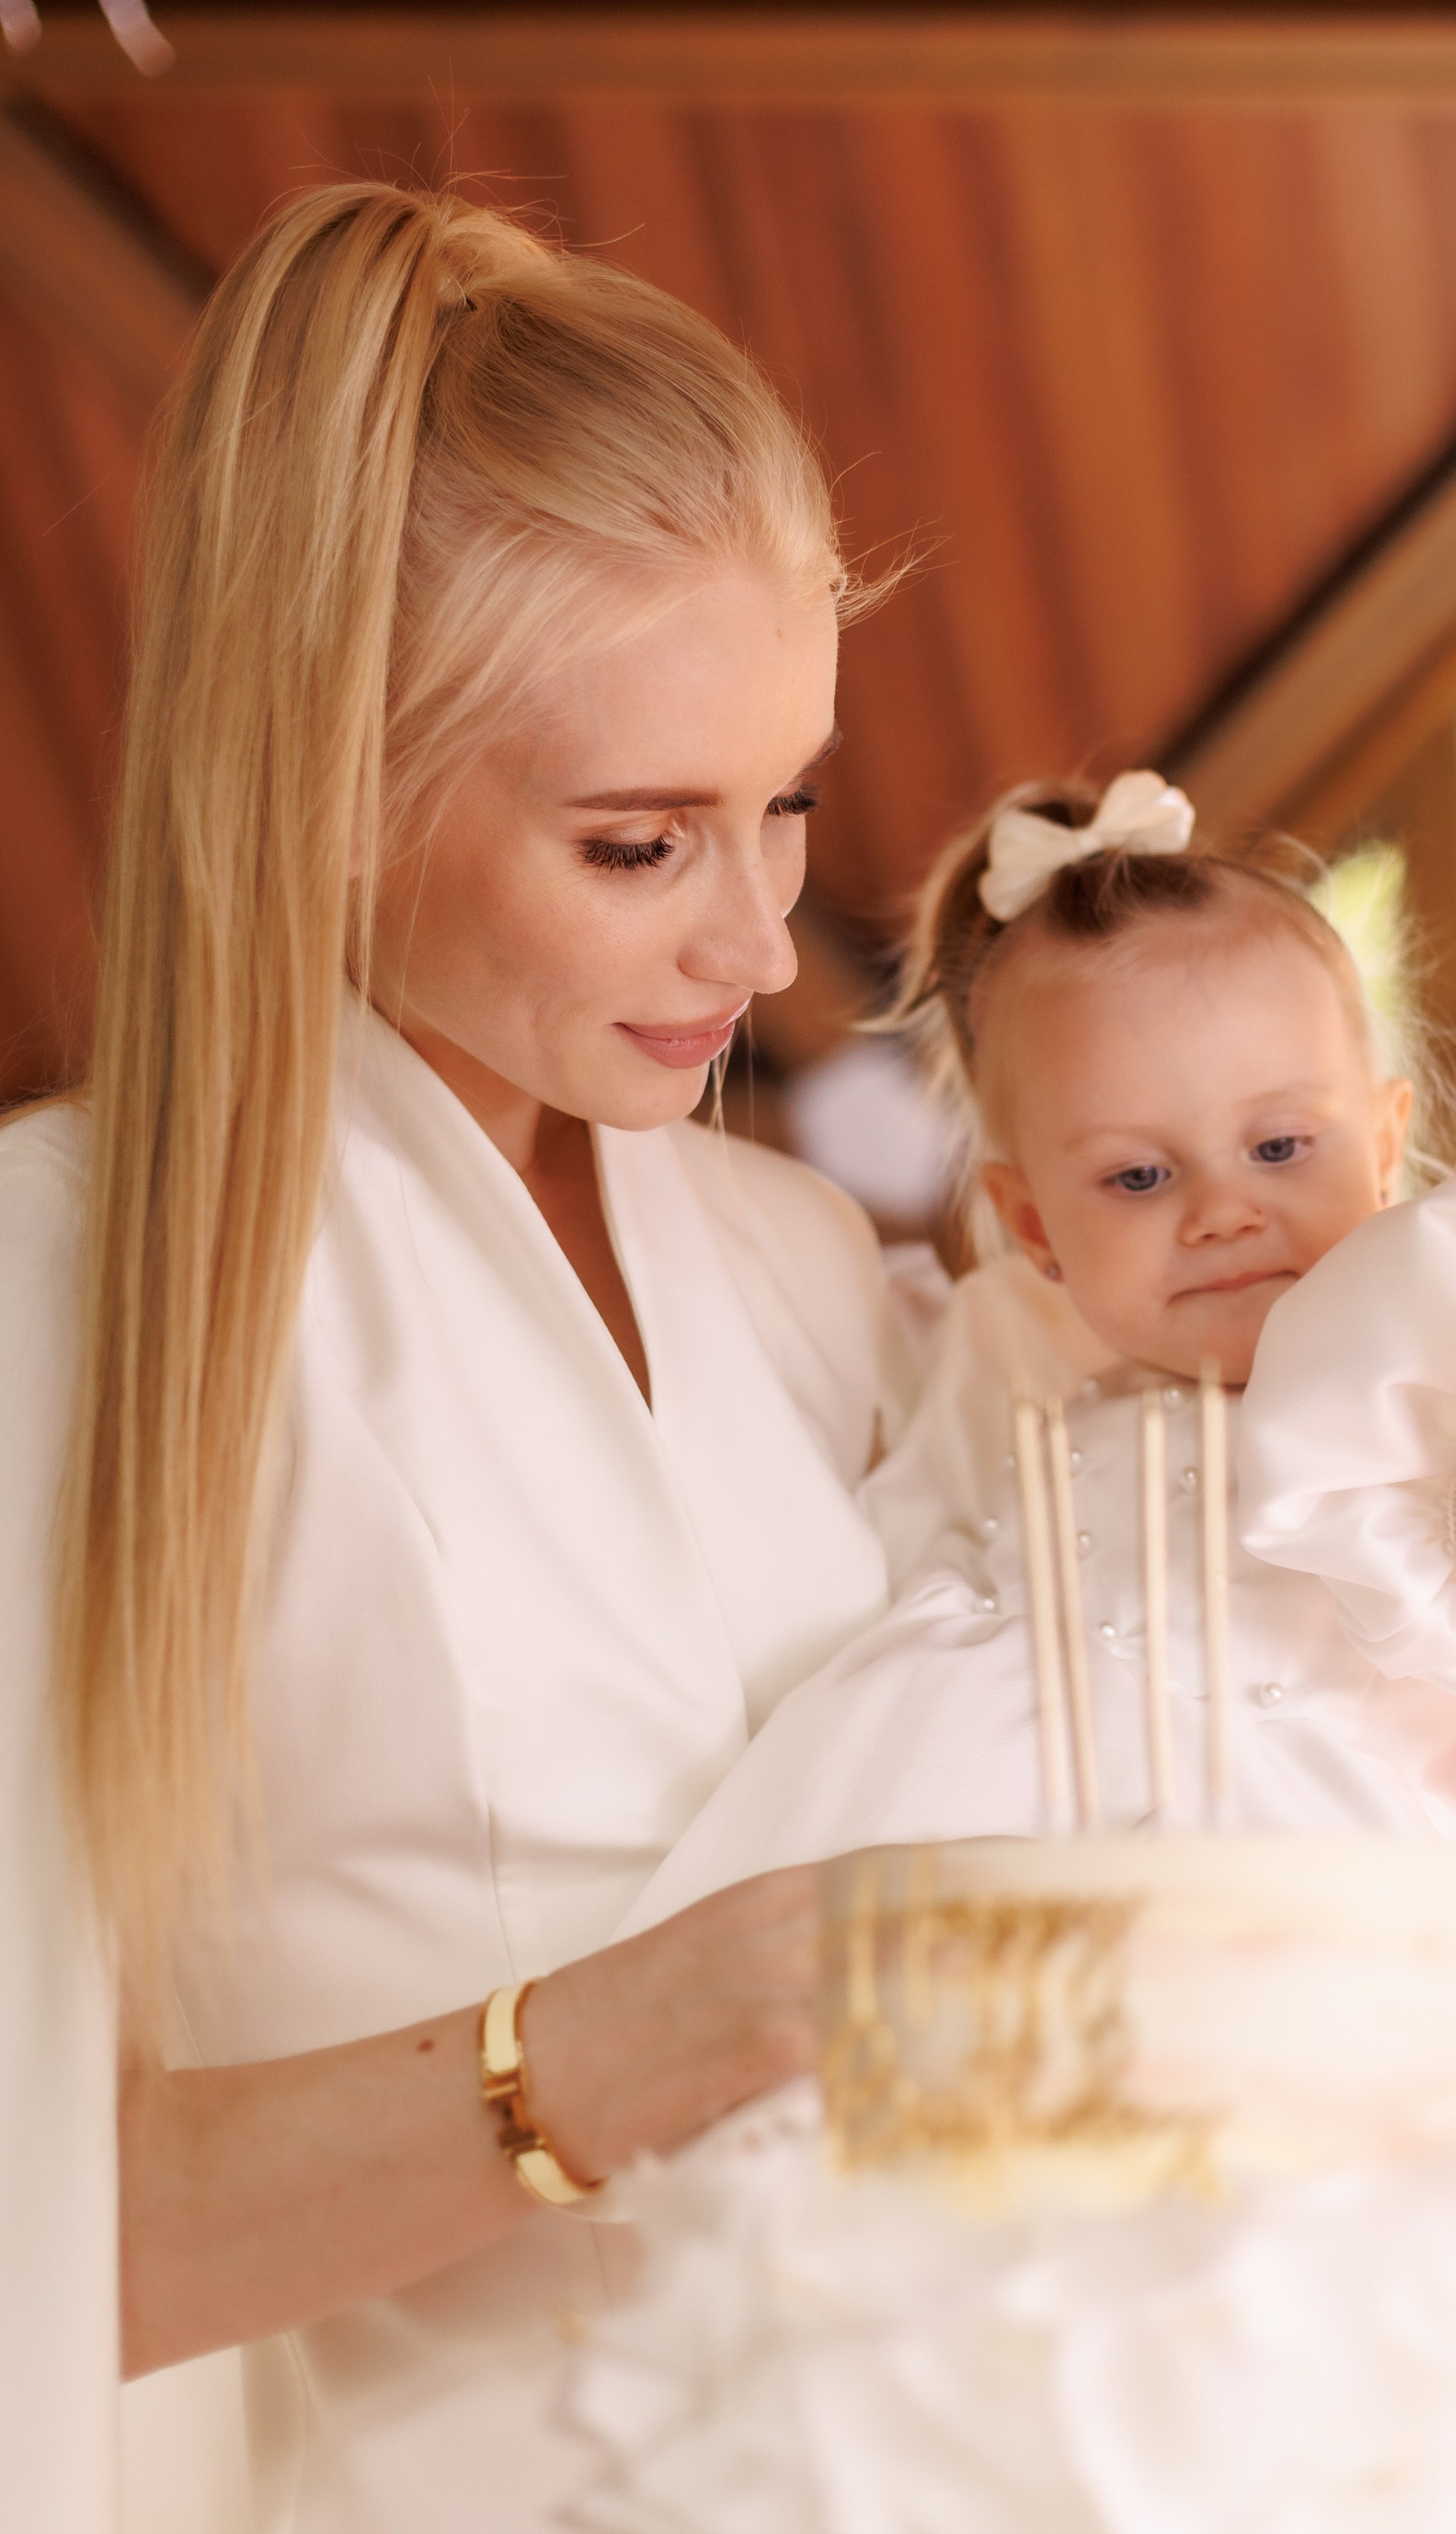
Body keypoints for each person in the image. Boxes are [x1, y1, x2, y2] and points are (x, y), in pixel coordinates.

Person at [612, 771, 1456, 2519]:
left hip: (1345, 1957)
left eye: (1278, 1148)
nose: (1221, 1209)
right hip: (1003, 1973)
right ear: (1025, 1224)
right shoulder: (999, 1419)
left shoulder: (1409, 1393)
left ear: (1386, 1140)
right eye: (1137, 1176)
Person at [0, 180, 917, 2531]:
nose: (761, 938)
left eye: (785, 802)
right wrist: (619, 2051)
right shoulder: (56, 1294)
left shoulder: (819, 1275)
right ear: (336, 776)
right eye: (638, 843)